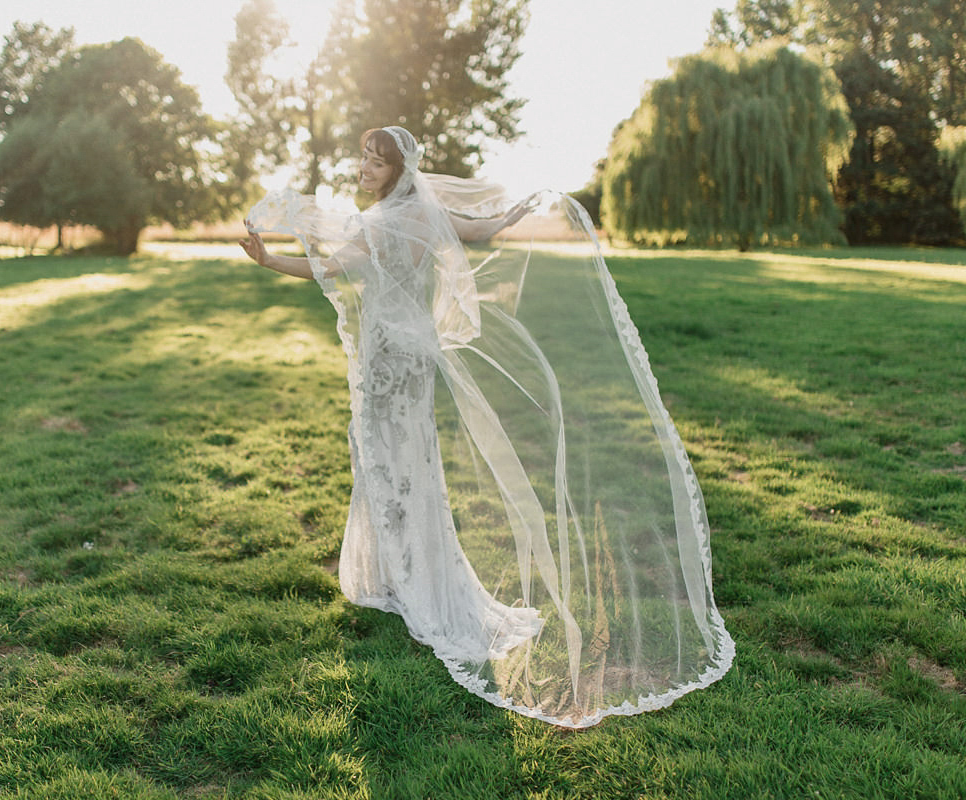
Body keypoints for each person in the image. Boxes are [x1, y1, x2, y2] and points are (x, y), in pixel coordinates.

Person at [240, 126, 734, 728]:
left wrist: (276, 247)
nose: (364, 169)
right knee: (402, 462)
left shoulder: (384, 222)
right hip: (408, 357)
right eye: (364, 160)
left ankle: (407, 583)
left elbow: (334, 257)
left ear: (398, 169)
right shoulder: (419, 212)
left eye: (376, 162)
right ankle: (399, 574)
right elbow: (472, 232)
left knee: (387, 462)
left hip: (390, 360)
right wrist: (509, 214)